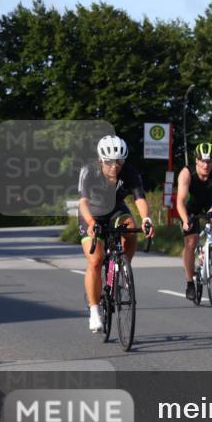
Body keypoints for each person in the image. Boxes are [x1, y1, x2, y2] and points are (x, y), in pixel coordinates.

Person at [78, 135, 155, 332]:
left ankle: (122, 266)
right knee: (95, 260)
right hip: (92, 213)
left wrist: (146, 218)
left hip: (115, 210)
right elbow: (83, 202)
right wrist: (91, 222)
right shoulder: (89, 171)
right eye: (109, 162)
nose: (114, 166)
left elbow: (140, 199)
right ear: (100, 160)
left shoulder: (129, 172)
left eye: (119, 162)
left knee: (131, 226)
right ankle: (94, 311)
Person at [176, 142, 212, 299]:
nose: (206, 165)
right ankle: (190, 283)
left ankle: (211, 247)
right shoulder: (186, 173)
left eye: (210, 161)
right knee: (191, 242)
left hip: (209, 203)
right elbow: (180, 201)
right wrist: (184, 219)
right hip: (191, 207)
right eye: (202, 161)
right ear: (196, 160)